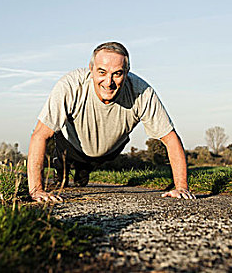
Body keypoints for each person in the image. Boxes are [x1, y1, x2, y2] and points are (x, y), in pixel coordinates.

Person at [27, 42, 195, 202]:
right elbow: (40, 135)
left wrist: (182, 187)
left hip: (110, 150)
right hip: (71, 145)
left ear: (127, 72)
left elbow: (170, 138)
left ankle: (83, 170)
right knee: (63, 157)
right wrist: (36, 190)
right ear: (91, 69)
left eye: (117, 73)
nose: (109, 82)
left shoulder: (142, 92)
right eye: (102, 72)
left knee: (88, 165)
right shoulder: (70, 86)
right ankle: (62, 170)